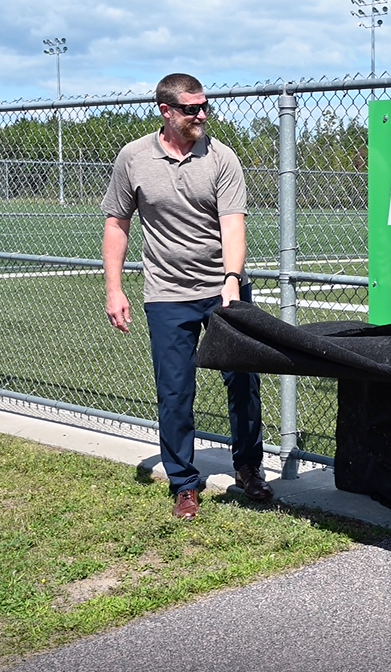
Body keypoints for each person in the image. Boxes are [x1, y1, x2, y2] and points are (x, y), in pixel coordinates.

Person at [102, 72, 273, 521]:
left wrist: (232, 280)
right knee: (175, 391)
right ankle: (184, 484)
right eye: (191, 108)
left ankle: (248, 468)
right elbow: (117, 224)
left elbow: (233, 224)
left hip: (224, 290)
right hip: (166, 295)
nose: (201, 115)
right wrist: (114, 289)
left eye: (204, 106)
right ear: (166, 111)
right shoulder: (133, 158)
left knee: (243, 383)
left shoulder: (222, 158)